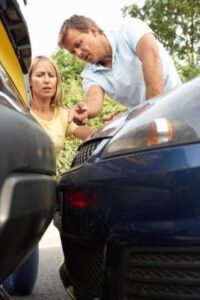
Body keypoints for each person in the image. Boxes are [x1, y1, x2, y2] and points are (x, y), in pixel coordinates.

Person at [2, 55, 94, 296]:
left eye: (51, 75)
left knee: (20, 287)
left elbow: (91, 135)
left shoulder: (63, 115)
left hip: (45, 199)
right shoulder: (18, 112)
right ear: (29, 81)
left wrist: (117, 124)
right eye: (40, 75)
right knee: (16, 283)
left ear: (57, 81)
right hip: (16, 200)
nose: (46, 81)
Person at [58, 15, 182, 125]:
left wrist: (151, 112)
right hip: (146, 122)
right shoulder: (90, 74)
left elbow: (151, 57)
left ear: (93, 31)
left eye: (78, 44)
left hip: (178, 106)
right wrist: (84, 108)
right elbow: (94, 99)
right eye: (73, 52)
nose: (78, 53)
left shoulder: (130, 29)